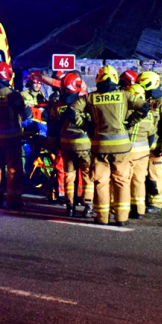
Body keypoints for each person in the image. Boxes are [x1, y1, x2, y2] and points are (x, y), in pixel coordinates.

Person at [70, 65, 148, 226]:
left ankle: (102, 217)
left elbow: (71, 112)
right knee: (121, 181)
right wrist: (130, 123)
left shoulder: (90, 98)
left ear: (98, 79)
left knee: (101, 181)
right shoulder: (125, 96)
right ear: (115, 79)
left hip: (100, 147)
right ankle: (121, 218)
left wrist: (86, 126)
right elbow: (144, 107)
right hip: (122, 148)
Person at [0, 61, 31, 210]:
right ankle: (13, 199)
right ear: (7, 76)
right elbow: (27, 114)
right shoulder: (13, 95)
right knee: (13, 170)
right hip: (11, 140)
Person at [48, 72, 94, 217]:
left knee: (69, 176)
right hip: (85, 146)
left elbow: (52, 128)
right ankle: (88, 206)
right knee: (87, 176)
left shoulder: (57, 105)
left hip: (65, 146)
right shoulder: (84, 102)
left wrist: (53, 144)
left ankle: (70, 207)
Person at [138, 70, 162, 213]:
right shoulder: (146, 100)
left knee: (155, 175)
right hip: (143, 147)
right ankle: (142, 201)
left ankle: (155, 203)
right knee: (141, 176)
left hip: (157, 148)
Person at [125, 83, 157, 219]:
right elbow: (152, 136)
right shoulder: (150, 115)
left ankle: (122, 209)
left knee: (124, 181)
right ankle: (139, 210)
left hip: (127, 152)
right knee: (138, 181)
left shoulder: (125, 113)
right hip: (143, 153)